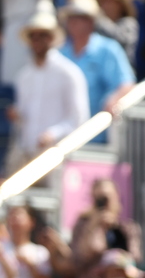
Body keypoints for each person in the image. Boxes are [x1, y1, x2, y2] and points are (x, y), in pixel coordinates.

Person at [10, 14, 90, 172]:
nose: (37, 41)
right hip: (28, 156)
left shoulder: (69, 73)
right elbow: (24, 117)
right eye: (34, 36)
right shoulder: (23, 77)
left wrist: (52, 134)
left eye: (43, 35)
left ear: (52, 38)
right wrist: (17, 115)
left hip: (60, 158)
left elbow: (78, 118)